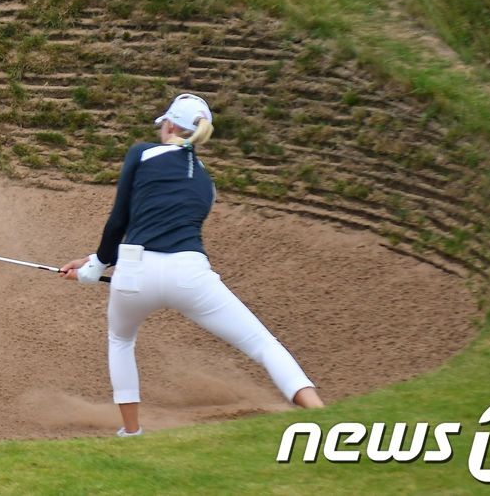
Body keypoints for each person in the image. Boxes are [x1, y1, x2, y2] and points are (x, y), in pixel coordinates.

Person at [59, 93, 323, 437]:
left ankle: (131, 431)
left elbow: (119, 219)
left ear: (169, 124)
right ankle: (319, 413)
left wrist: (98, 265)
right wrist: (94, 262)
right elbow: (165, 229)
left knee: (121, 341)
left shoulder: (141, 153)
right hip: (191, 274)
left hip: (135, 273)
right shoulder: (206, 184)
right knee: (264, 344)